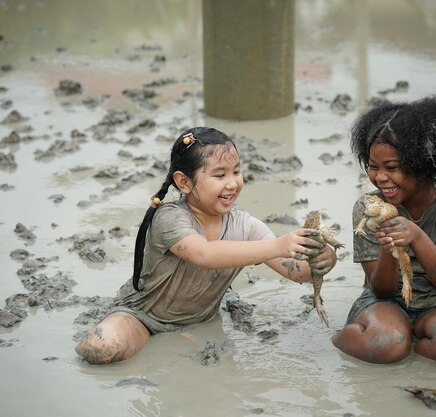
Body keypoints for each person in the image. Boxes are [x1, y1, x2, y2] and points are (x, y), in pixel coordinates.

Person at [75, 127, 337, 365]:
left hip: (201, 319)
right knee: (99, 348)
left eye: (236, 171)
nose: (232, 183)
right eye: (219, 175)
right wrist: (280, 245)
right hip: (145, 316)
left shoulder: (245, 226)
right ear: (184, 182)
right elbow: (203, 253)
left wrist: (323, 259)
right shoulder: (169, 218)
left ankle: (184, 335)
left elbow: (297, 272)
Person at [332, 96, 436, 364]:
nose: (380, 177)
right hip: (384, 305)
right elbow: (381, 290)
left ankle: (415, 357)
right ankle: (347, 338)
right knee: (388, 342)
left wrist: (417, 236)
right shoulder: (370, 206)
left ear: (425, 166)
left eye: (392, 168)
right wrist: (390, 249)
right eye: (373, 167)